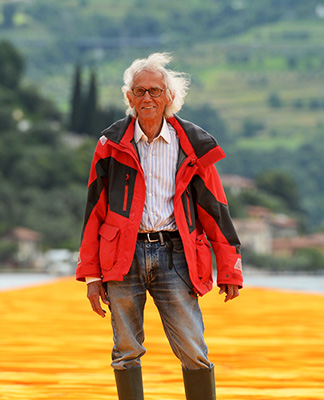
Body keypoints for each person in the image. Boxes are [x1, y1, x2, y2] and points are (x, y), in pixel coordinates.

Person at [76, 52, 243, 400]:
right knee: (125, 351)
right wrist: (91, 276)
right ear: (129, 98)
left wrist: (230, 269)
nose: (147, 98)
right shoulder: (110, 145)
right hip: (122, 256)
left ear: (169, 96)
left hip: (176, 255)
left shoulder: (193, 146)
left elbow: (215, 210)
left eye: (154, 91)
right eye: (139, 91)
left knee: (194, 350)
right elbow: (95, 211)